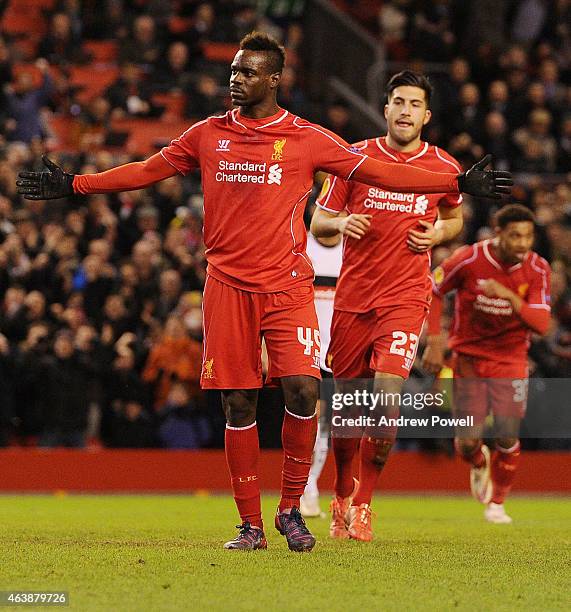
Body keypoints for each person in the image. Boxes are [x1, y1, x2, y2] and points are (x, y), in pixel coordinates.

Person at [16, 32, 511, 552]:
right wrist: (75, 185)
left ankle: (291, 510)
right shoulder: (207, 134)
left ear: (273, 79)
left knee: (303, 390)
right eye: (233, 70)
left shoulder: (307, 138)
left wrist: (455, 185)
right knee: (239, 404)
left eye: (247, 72)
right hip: (227, 287)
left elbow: (383, 172)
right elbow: (145, 171)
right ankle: (249, 525)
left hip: (287, 286)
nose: (236, 79)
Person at [310, 70, 466, 542]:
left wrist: (438, 233)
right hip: (353, 299)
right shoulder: (354, 158)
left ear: (426, 114)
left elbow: (454, 218)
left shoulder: (442, 166)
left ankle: (364, 504)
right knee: (349, 412)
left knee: (385, 398)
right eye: (398, 101)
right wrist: (341, 222)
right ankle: (340, 492)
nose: (405, 111)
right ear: (385, 109)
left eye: (414, 104)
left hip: (405, 296)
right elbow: (318, 222)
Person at [421, 204, 551, 524]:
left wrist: (508, 296)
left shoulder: (538, 268)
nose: (522, 243)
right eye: (515, 236)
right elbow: (435, 289)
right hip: (469, 360)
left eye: (528, 237)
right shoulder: (469, 259)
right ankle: (479, 462)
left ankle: (497, 503)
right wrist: (436, 342)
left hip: (510, 360)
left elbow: (541, 324)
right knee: (467, 442)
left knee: (507, 436)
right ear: (498, 234)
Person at [299, 223, 343, 518]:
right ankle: (305, 489)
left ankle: (311, 485)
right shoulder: (303, 248)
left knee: (328, 423)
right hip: (306, 344)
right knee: (308, 416)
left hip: (339, 348)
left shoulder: (351, 250)